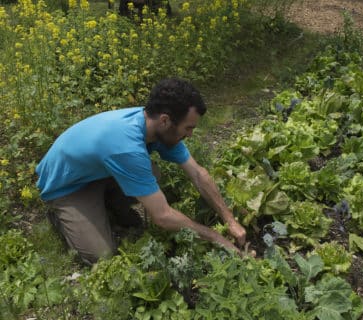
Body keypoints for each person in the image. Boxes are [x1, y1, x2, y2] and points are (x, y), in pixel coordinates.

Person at [36, 78, 247, 265]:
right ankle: (63, 214)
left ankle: (108, 202)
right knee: (101, 255)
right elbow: (162, 217)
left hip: (97, 169)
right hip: (67, 186)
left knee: (151, 174)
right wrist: (215, 237)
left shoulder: (156, 125)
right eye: (188, 128)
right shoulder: (126, 147)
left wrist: (230, 221)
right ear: (165, 120)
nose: (190, 135)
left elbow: (198, 174)